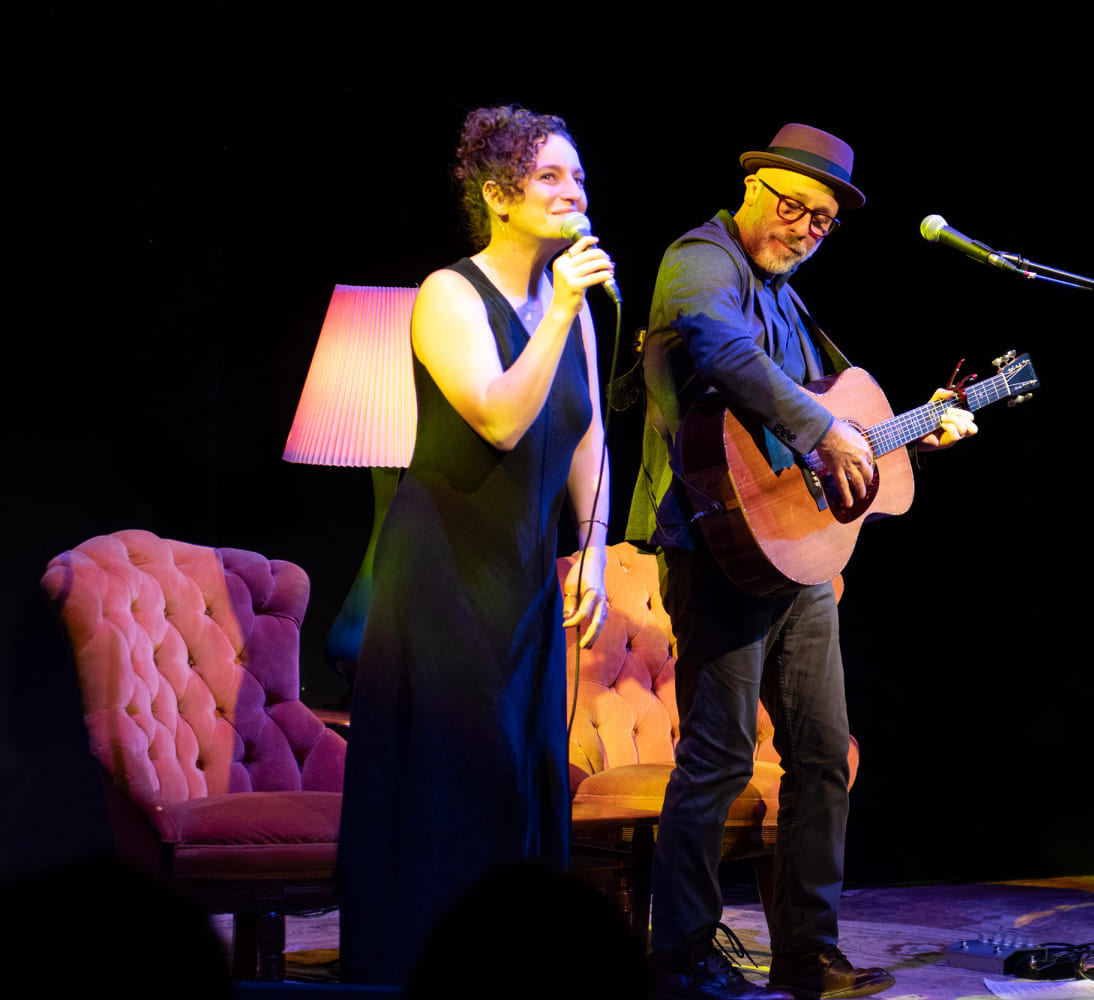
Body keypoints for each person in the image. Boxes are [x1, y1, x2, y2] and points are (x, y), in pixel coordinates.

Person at [627, 124, 977, 1000]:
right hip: (717, 547)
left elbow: (844, 427)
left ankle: (808, 956)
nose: (805, 229)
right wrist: (824, 432)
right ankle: (680, 960)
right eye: (793, 207)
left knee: (822, 754)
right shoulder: (698, 261)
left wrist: (916, 431)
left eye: (822, 222)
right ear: (752, 188)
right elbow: (720, 349)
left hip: (798, 562)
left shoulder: (792, 303)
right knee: (718, 758)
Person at [339, 104, 615, 987]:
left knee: (523, 772)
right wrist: (561, 303)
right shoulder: (448, 294)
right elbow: (499, 416)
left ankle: (517, 968)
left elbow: (586, 436)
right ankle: (423, 966)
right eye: (549, 177)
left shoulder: (571, 311)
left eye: (578, 176)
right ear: (499, 195)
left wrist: (596, 548)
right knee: (459, 777)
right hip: (444, 576)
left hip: (526, 573)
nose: (572, 192)